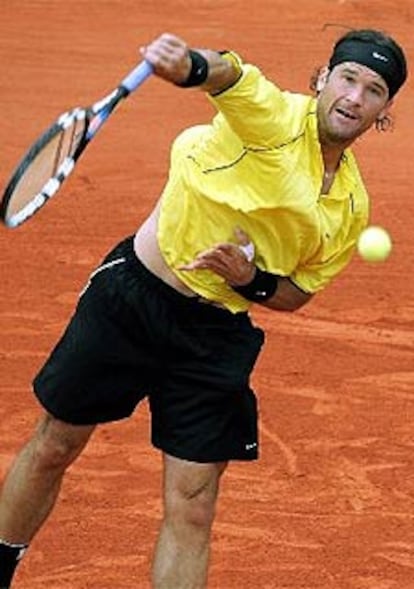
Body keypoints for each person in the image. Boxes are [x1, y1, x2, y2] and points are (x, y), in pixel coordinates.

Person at [0, 27, 407, 588]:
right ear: (322, 79)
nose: (355, 98)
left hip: (214, 335)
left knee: (193, 503)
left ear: (385, 109)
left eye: (374, 90)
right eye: (348, 78)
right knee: (56, 443)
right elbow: (230, 75)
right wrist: (188, 63)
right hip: (135, 299)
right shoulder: (271, 118)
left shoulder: (349, 207)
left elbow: (297, 293)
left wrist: (253, 281)